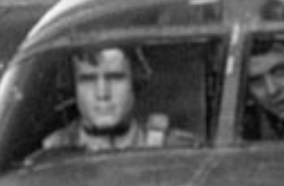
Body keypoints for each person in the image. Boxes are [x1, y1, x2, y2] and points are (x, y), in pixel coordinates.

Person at [39, 46, 196, 153]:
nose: (102, 94)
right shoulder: (53, 152)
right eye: (87, 80)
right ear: (73, 87)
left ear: (135, 82)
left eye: (115, 78)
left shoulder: (174, 148)